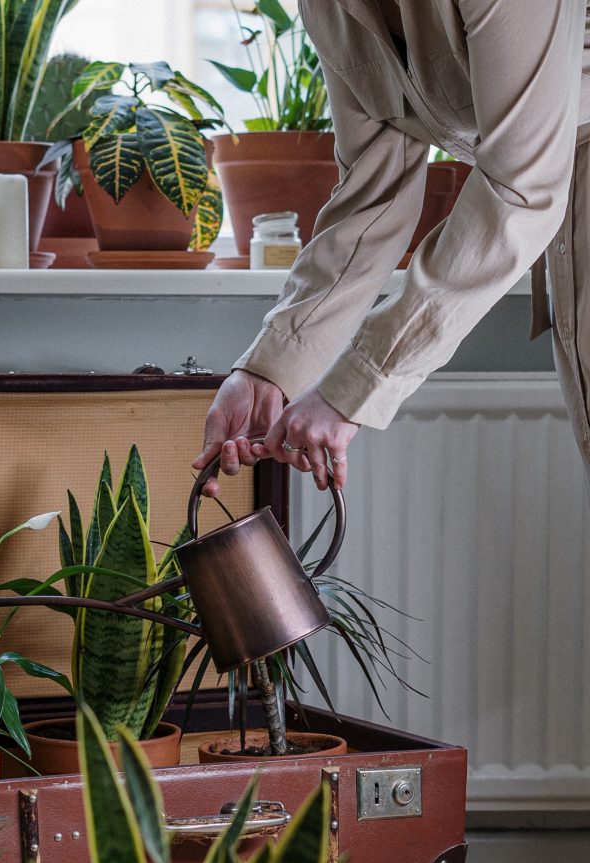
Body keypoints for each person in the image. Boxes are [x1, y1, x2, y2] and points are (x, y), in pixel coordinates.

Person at [194, 0, 590, 498]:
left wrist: (353, 387)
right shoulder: (327, 8)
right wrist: (269, 371)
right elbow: (374, 193)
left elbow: (520, 187)